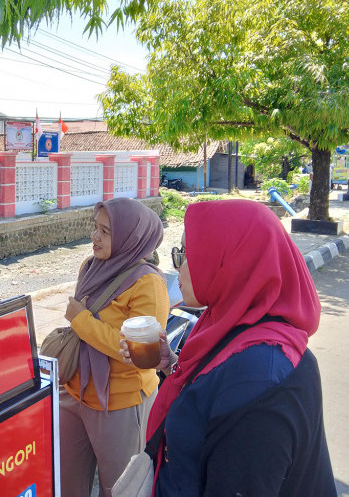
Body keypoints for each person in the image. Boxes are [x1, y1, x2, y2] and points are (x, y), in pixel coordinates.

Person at [122, 199, 336, 495]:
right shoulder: (236, 325)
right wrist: (171, 363)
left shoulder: (260, 378)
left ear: (228, 261)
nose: (179, 267)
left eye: (186, 255)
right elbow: (212, 391)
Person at [61, 197, 169, 497]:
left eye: (106, 231)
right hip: (75, 391)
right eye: (95, 227)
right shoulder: (90, 267)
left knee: (120, 490)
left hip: (121, 403)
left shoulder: (148, 284)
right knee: (67, 484)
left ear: (129, 238)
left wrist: (80, 320)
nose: (95, 236)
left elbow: (139, 354)